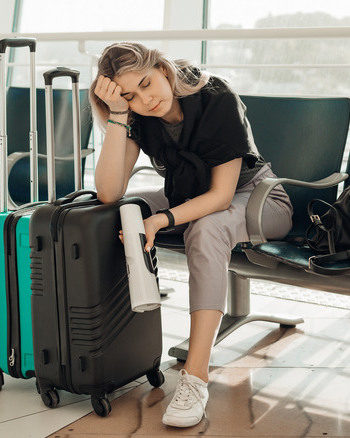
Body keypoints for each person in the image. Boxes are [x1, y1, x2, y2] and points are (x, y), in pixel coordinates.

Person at [89, 42, 293, 428]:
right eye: (130, 95)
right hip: (190, 198)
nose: (145, 99)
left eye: (147, 84)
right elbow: (109, 191)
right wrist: (118, 114)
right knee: (120, 210)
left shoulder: (216, 95)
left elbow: (219, 197)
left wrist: (162, 219)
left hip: (259, 199)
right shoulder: (136, 113)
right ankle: (113, 344)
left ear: (163, 69)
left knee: (206, 227)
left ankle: (195, 378)